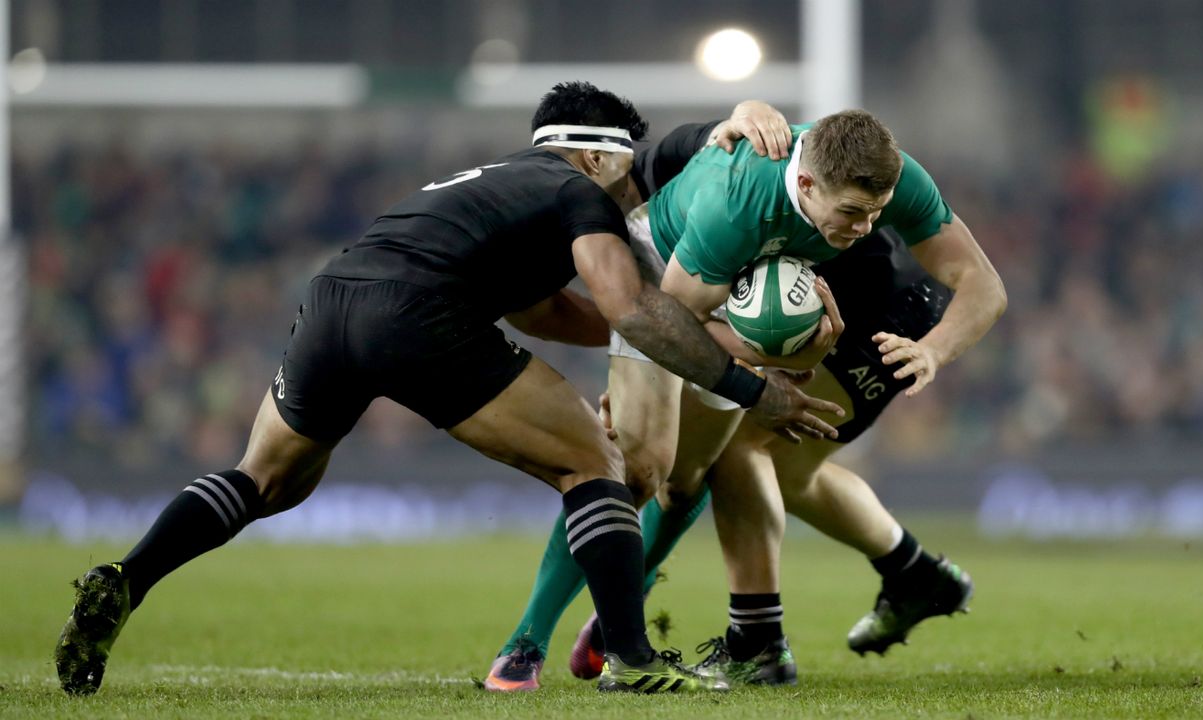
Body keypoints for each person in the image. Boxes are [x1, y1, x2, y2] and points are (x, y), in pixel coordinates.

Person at [52, 82, 846, 697]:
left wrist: (669, 341)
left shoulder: (499, 185)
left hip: (335, 296)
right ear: (599, 155)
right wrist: (750, 387)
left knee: (262, 479)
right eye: (628, 168)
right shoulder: (581, 193)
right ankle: (632, 660)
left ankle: (127, 578)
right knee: (596, 466)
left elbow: (544, 313)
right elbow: (632, 311)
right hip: (418, 312)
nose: (637, 191)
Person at [485, 106, 1005, 690]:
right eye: (854, 213)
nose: (865, 227)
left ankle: (735, 633)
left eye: (876, 215)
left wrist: (932, 351)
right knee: (643, 470)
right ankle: (535, 639)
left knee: (718, 467)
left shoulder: (890, 178)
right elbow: (674, 323)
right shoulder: (729, 207)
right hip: (685, 298)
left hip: (847, 313)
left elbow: (983, 283)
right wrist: (754, 371)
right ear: (805, 182)